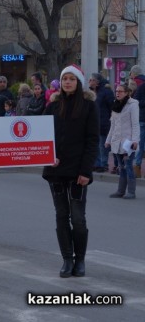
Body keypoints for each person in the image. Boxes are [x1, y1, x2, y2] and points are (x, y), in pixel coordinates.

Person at [43, 64, 98, 278]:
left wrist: (86, 170)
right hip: (55, 170)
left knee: (78, 218)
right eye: (65, 79)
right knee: (61, 215)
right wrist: (48, 156)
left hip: (78, 171)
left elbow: (92, 140)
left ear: (79, 82)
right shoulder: (53, 106)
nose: (67, 82)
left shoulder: (88, 106)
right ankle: (67, 259)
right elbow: (42, 135)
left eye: (72, 79)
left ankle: (80, 260)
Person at [106, 83, 140, 199]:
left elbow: (135, 124)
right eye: (116, 91)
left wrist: (135, 140)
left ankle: (131, 191)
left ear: (127, 93)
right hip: (117, 141)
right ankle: (120, 191)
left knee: (128, 166)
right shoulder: (115, 105)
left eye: (120, 91)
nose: (117, 93)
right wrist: (108, 140)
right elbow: (113, 125)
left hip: (128, 142)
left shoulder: (133, 105)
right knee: (121, 167)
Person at [88, 73, 114, 173]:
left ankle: (104, 164)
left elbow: (111, 106)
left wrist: (109, 119)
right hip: (94, 122)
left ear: (97, 82)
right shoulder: (91, 92)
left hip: (104, 122)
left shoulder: (106, 91)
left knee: (103, 144)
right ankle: (97, 164)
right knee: (95, 144)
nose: (89, 82)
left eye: (91, 80)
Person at [130, 65, 145, 177]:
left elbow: (135, 102)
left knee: (139, 144)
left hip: (141, 118)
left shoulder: (137, 84)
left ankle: (137, 166)